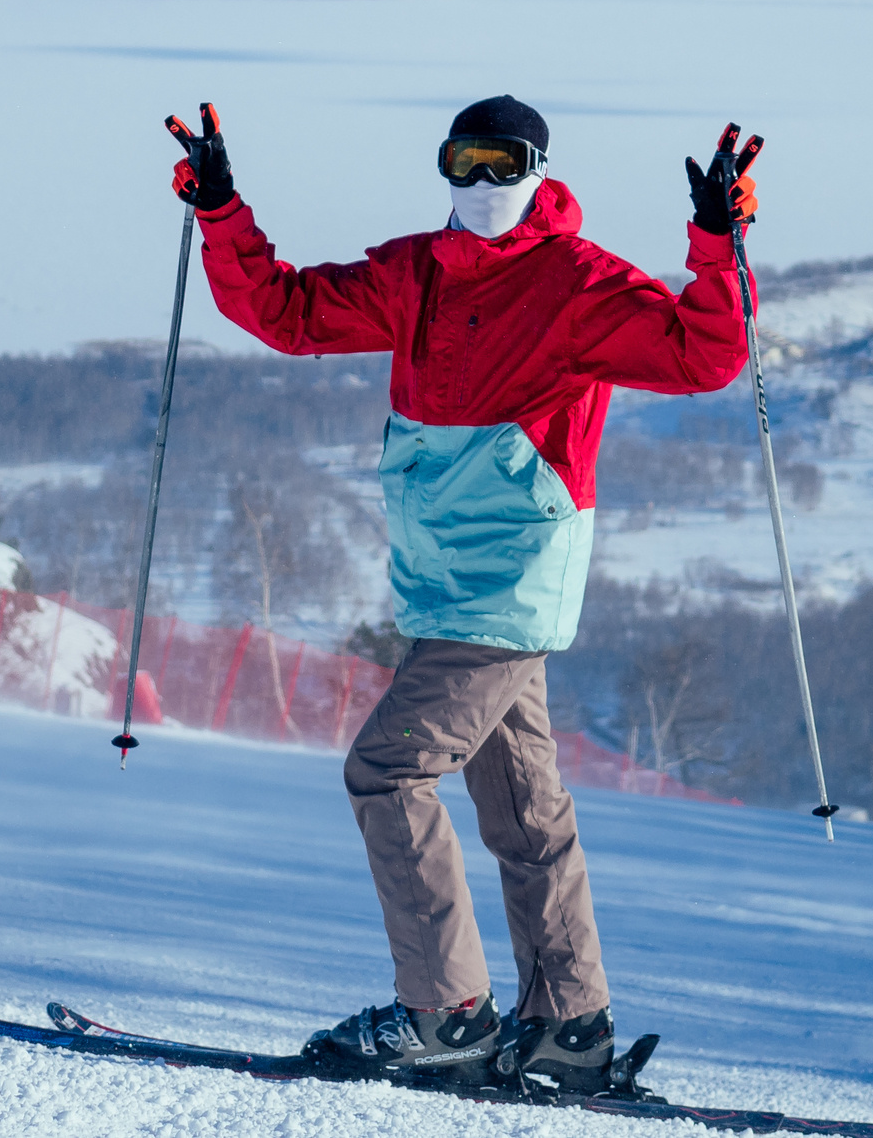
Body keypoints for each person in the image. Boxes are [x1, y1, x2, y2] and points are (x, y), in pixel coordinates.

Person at [165, 94, 759, 1091]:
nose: (481, 183)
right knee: (524, 811)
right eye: (462, 160)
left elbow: (705, 355)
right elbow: (289, 312)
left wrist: (716, 243)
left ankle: (445, 1015)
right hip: (438, 581)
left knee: (385, 774)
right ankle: (567, 1029)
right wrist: (223, 211)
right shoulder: (412, 273)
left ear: (538, 169)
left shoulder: (578, 281)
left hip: (513, 575)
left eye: (502, 162)